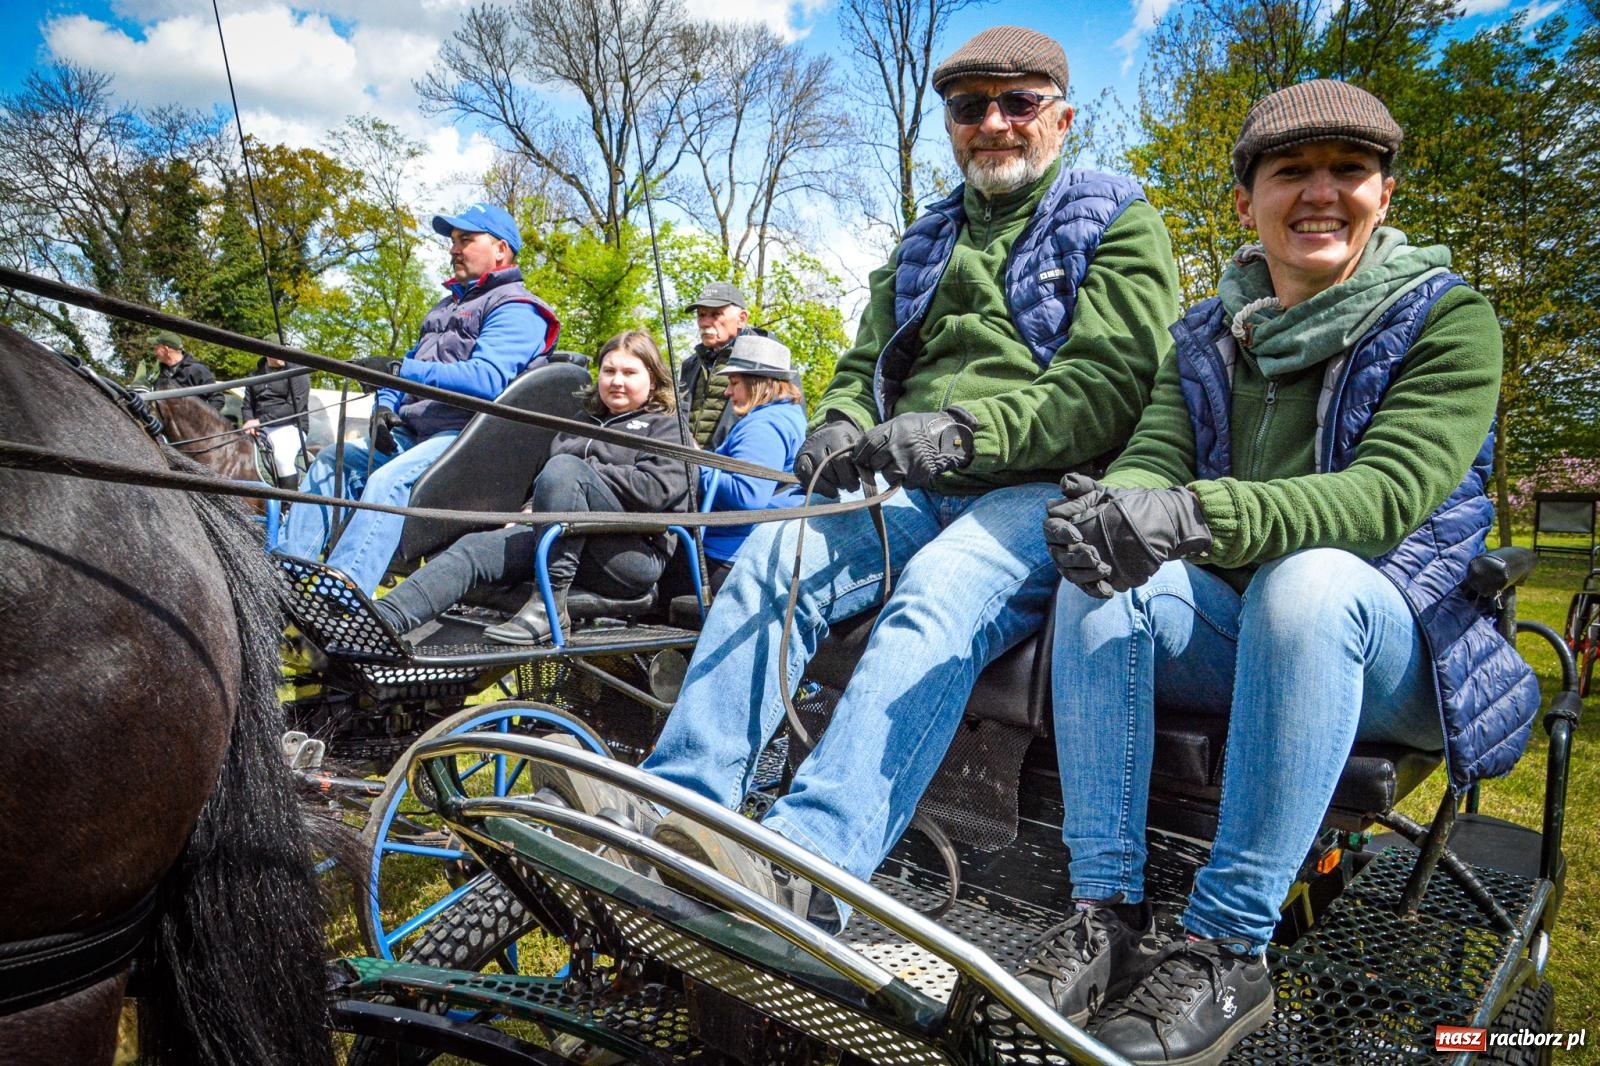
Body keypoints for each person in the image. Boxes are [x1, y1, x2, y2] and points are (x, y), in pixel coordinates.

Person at [543, 25, 1179, 931]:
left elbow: (1111, 389)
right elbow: (863, 359)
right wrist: (841, 417)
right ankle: (674, 806)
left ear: (1062, 118)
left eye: (1018, 104)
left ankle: (808, 868)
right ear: (951, 124)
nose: (993, 122)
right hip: (910, 478)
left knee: (936, 598)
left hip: (1042, 488)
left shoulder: (1118, 218)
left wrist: (964, 434)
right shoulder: (926, 238)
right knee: (780, 557)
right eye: (969, 108)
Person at [1027, 80, 1540, 1065]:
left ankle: (1226, 945)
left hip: (1399, 642)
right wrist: (1115, 514)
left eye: (1347, 170)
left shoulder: (1447, 318)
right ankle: (1104, 909)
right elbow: (1155, 452)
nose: (1319, 193)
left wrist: (1189, 515)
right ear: (1244, 202)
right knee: (1098, 579)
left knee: (1304, 580)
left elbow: (1379, 500)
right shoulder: (1204, 334)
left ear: (1383, 194)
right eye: (1289, 172)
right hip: (1243, 623)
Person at [278, 202, 559, 596]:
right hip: (414, 432)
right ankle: (283, 581)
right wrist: (384, 407)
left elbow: (488, 379)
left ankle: (341, 597)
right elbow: (406, 367)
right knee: (331, 462)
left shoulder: (517, 308)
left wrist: (399, 372)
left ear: (501, 249)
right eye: (452, 241)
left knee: (387, 481)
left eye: (466, 239)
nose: (453, 249)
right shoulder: (446, 307)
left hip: (466, 439)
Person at [368, 330, 688, 645]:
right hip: (558, 537)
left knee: (565, 468)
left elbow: (657, 490)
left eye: (630, 372)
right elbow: (546, 483)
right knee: (474, 547)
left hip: (628, 556)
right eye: (609, 371)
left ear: (653, 379)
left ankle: (549, 606)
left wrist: (582, 475)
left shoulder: (668, 426)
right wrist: (528, 511)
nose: (617, 381)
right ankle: (377, 622)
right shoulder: (580, 423)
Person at [695, 333, 808, 591]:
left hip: (730, 556)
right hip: (745, 548)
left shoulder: (764, 425)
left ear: (760, 384)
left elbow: (748, 495)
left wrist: (695, 465)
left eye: (734, 382)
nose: (727, 391)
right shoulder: (784, 416)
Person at [677, 281, 771, 448]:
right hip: (688, 467)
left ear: (742, 319)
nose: (704, 322)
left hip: (735, 465)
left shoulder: (765, 361)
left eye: (715, 315)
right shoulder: (690, 364)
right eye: (701, 315)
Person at [241, 354, 310, 490]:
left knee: (282, 458)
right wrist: (249, 421)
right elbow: (247, 405)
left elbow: (293, 407)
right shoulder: (255, 376)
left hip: (290, 426)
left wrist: (260, 421)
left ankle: (288, 505)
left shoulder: (297, 373)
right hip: (260, 428)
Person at [149, 332, 224, 412]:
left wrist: (199, 417)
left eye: (156, 348)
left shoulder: (197, 370)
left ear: (166, 350)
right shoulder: (159, 371)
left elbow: (218, 398)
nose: (154, 352)